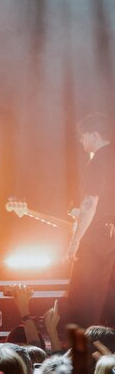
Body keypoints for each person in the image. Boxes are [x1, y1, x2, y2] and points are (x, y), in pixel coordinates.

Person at [66, 113, 115, 328]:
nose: (81, 140)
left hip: (98, 241)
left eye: (83, 135)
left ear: (95, 135)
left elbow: (91, 203)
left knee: (84, 304)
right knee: (109, 303)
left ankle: (82, 357)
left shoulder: (98, 162)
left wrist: (75, 242)